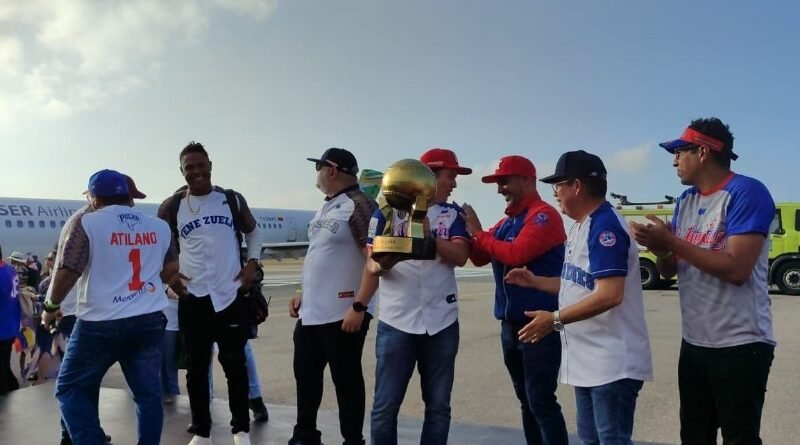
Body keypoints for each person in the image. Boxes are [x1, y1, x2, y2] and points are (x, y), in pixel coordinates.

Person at [630, 117, 776, 444]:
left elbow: (737, 269)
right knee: (694, 436)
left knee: (740, 437)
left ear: (703, 152)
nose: (674, 160)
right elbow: (671, 272)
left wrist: (672, 242)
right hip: (695, 343)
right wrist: (661, 249)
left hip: (741, 344)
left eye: (680, 151)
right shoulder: (685, 201)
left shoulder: (746, 192)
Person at [508, 150, 653, 444]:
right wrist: (536, 282)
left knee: (610, 439)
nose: (555, 193)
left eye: (558, 185)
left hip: (611, 366)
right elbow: (577, 284)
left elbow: (610, 295)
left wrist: (554, 319)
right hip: (588, 364)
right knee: (590, 439)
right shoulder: (580, 226)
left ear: (577, 186)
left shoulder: (605, 226)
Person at [43, 169, 179, 445]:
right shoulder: (158, 226)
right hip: (148, 320)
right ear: (128, 196)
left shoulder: (87, 222)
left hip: (100, 323)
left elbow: (68, 267)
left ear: (94, 198)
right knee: (148, 394)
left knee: (71, 387)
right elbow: (171, 269)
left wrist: (51, 305)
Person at [365, 148, 472, 445]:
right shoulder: (385, 212)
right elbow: (372, 262)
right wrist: (384, 262)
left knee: (438, 407)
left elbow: (461, 256)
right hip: (396, 321)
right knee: (385, 406)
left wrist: (430, 236)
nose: (454, 184)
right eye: (451, 176)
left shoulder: (453, 215)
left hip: (442, 322)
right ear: (428, 177)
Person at [158, 141, 262, 445]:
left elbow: (254, 232)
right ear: (182, 171)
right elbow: (160, 245)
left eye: (200, 165)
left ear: (210, 166)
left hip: (228, 295)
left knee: (234, 366)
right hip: (194, 298)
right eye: (189, 167)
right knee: (196, 369)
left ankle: (240, 430)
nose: (196, 171)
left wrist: (251, 265)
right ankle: (202, 431)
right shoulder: (172, 206)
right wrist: (171, 277)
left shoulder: (231, 200)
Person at [462, 155, 569, 445]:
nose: (500, 189)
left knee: (541, 401)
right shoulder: (507, 222)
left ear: (526, 180)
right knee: (526, 400)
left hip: (538, 325)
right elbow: (480, 256)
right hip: (510, 327)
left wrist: (477, 233)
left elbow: (516, 254)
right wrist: (467, 233)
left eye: (504, 181)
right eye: (498, 183)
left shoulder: (543, 216)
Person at [286, 148, 377, 445]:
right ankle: (305, 434)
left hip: (343, 313)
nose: (317, 174)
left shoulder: (361, 205)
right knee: (306, 376)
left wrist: (360, 306)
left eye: (319, 168)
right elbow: (317, 255)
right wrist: (301, 292)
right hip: (312, 312)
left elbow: (375, 260)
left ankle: (353, 440)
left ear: (332, 170)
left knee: (346, 380)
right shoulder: (326, 207)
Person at [0, 244, 21, 395]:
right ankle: (15, 391)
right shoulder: (9, 269)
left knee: (2, 370)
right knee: (4, 366)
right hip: (10, 325)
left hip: (2, 328)